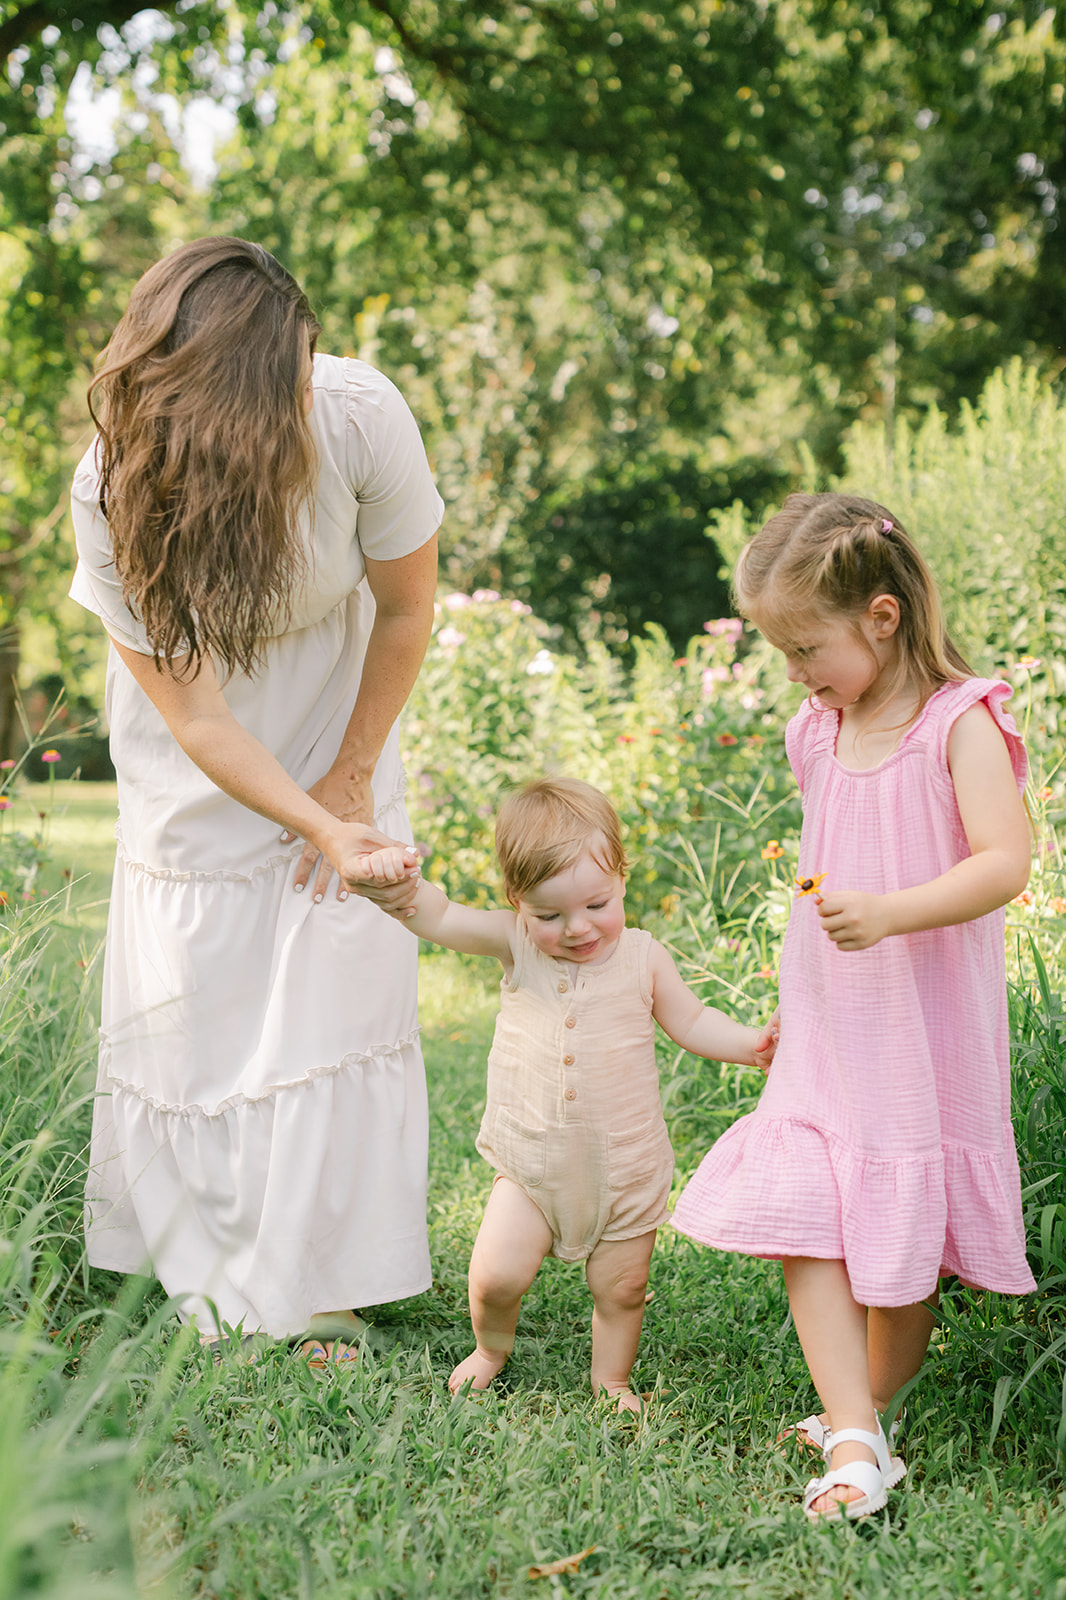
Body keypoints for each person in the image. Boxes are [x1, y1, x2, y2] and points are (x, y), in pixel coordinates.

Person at [69, 236, 442, 1363]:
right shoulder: (111, 484)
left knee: (336, 979)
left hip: (341, 706)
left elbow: (409, 611)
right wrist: (313, 819)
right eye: (285, 377)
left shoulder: (360, 415)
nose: (308, 388)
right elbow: (201, 720)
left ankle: (318, 1283)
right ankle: (213, 1266)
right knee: (204, 994)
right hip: (205, 749)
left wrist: (350, 780)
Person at [671, 493, 1035, 1518]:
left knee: (900, 1252)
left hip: (920, 1034)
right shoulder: (815, 731)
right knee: (806, 1208)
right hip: (833, 1024)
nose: (793, 672)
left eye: (803, 646)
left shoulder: (958, 722)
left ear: (880, 615)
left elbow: (1006, 863)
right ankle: (850, 1436)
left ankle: (867, 1412)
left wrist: (892, 911)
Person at [356, 776, 778, 1410]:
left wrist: (750, 1044)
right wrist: (399, 887)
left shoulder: (644, 958)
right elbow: (438, 917)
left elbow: (691, 1021)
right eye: (550, 914)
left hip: (624, 1171)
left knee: (623, 1288)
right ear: (518, 903)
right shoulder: (515, 942)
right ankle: (491, 1347)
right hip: (531, 1166)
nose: (578, 928)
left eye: (597, 905)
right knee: (496, 1276)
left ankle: (611, 1380)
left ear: (622, 880)